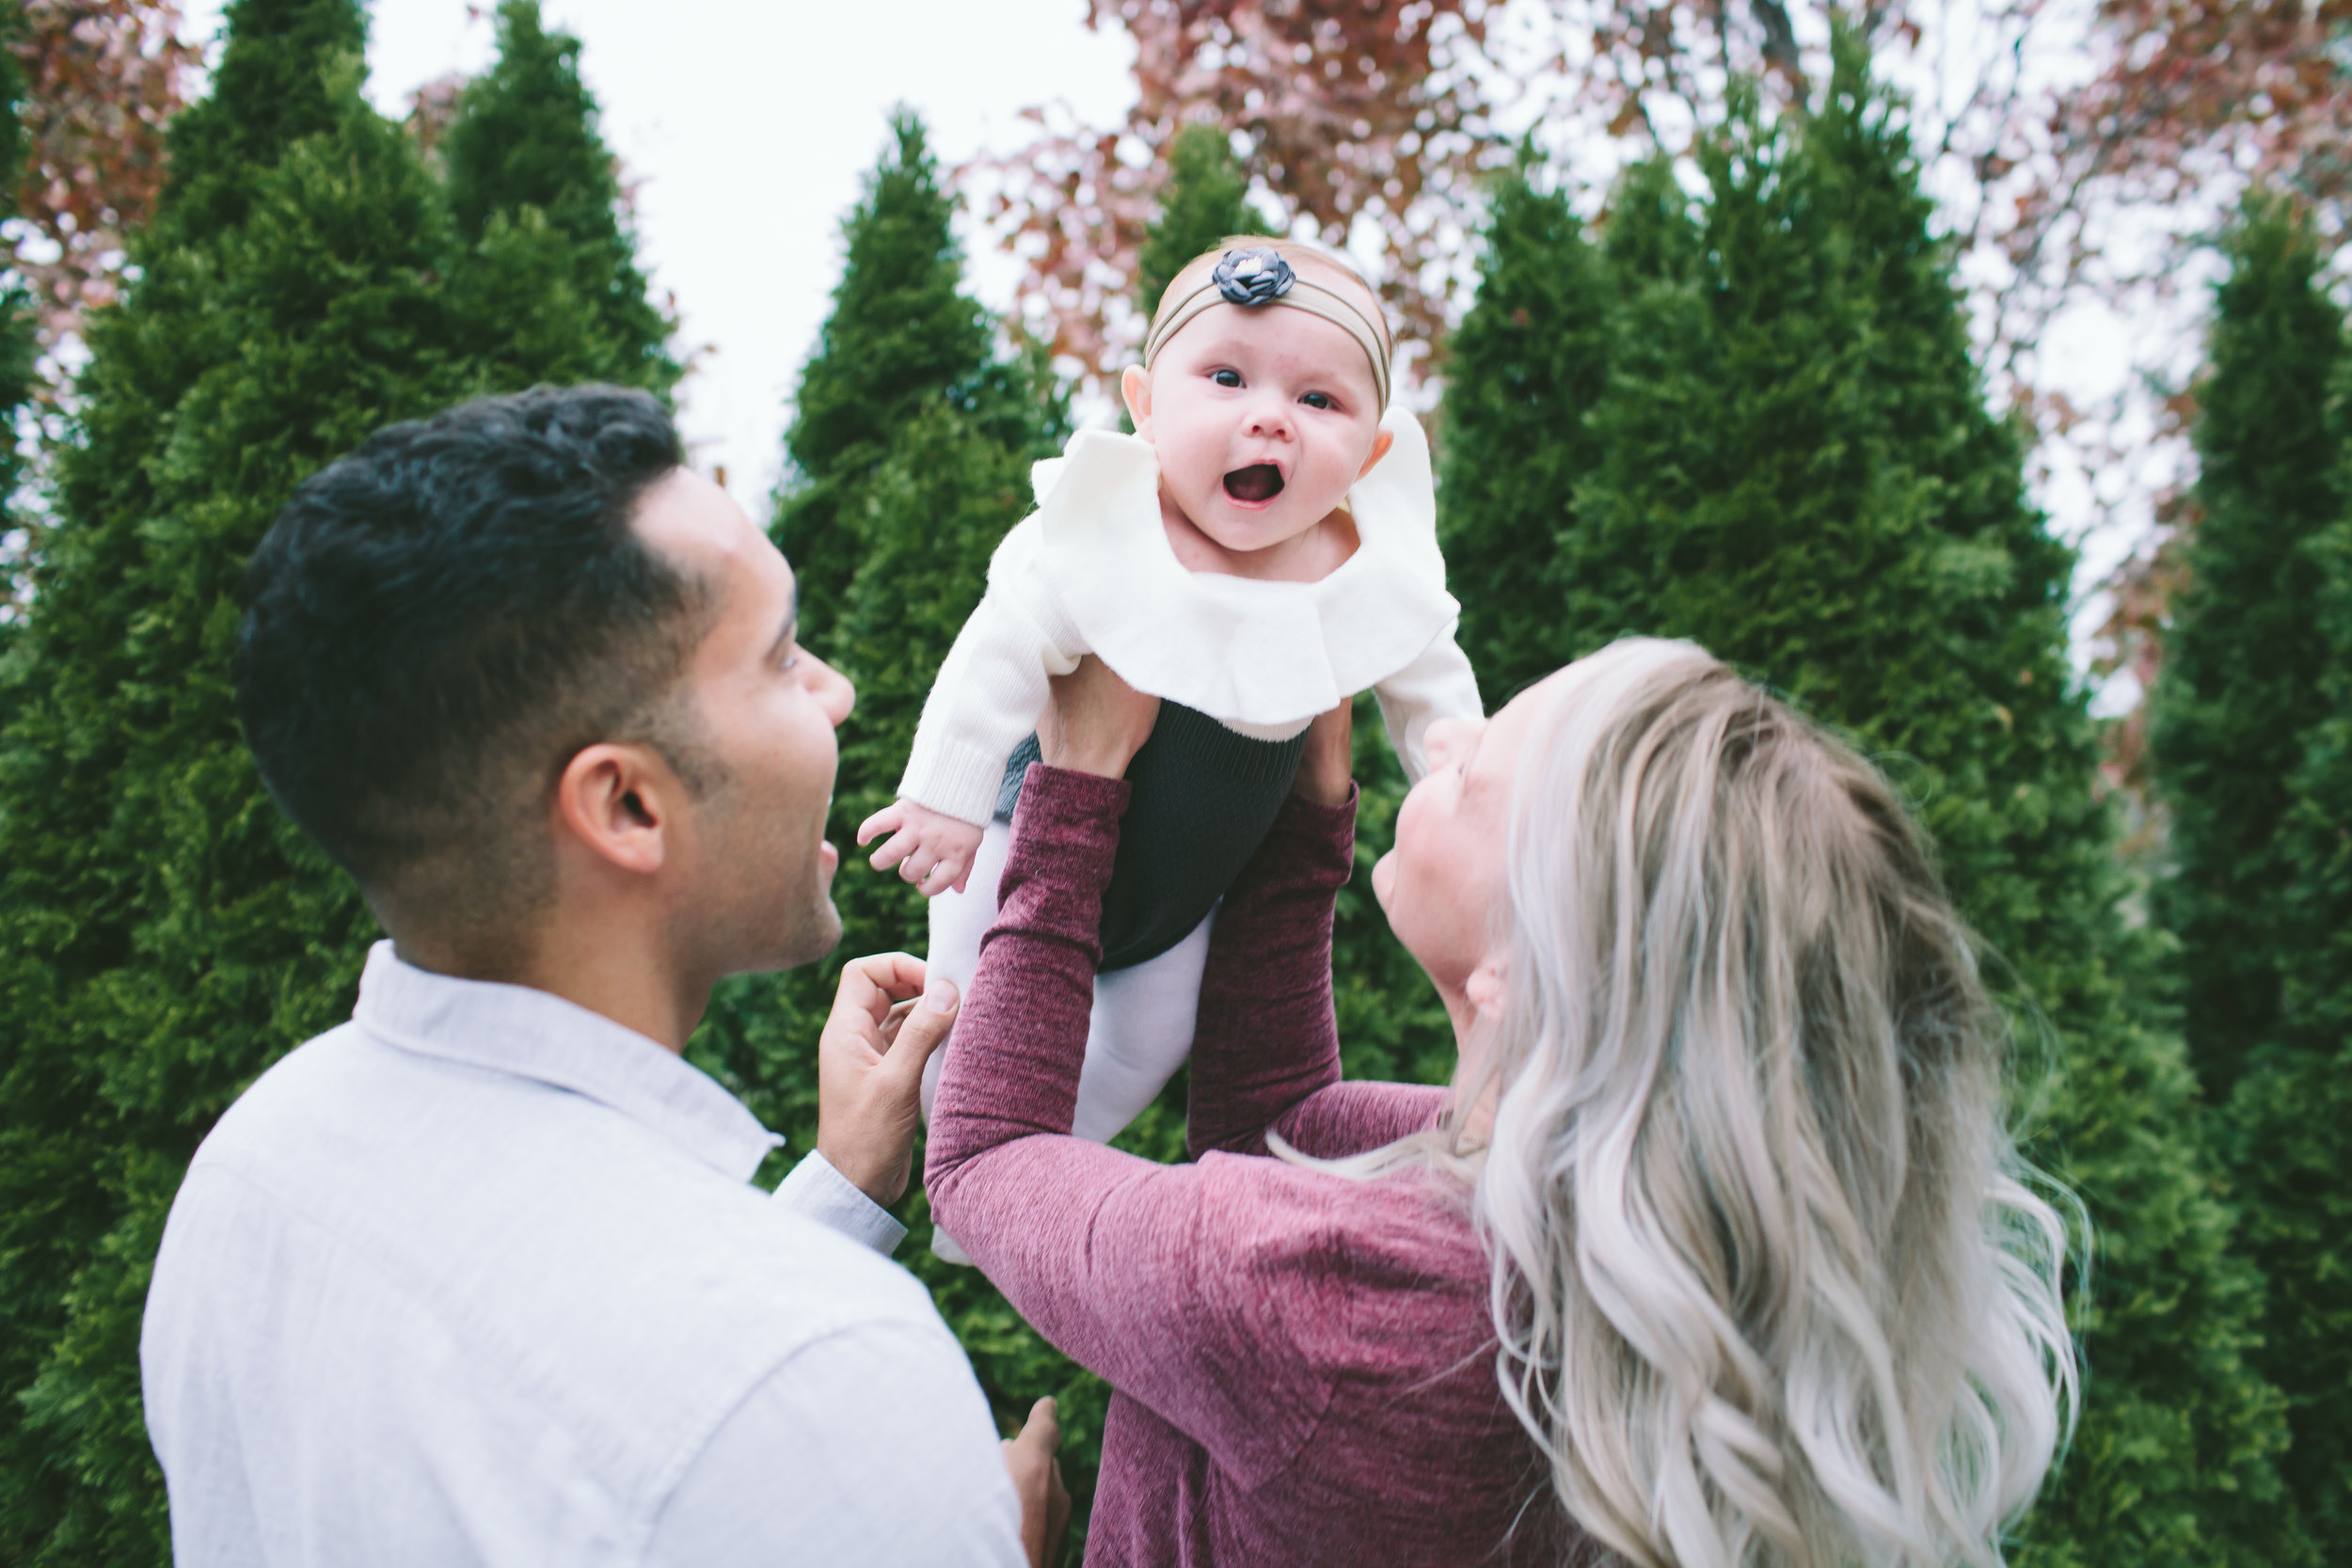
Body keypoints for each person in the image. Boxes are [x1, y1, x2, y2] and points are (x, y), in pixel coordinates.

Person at [140, 386, 1069, 1567]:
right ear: (627, 803)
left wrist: (840, 1190)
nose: (836, 689)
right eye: (783, 657)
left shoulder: (258, 1160)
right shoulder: (832, 1385)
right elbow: (707, 1394)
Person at [926, 639, 2078, 1566]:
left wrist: (1074, 791)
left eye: (1473, 771)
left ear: (1519, 967)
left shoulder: (1343, 1304)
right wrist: (1304, 809)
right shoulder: (1599, 1216)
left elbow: (986, 1158)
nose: (1443, 735)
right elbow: (1274, 1128)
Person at [858, 240, 1482, 1253]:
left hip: (1199, 882)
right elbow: (998, 648)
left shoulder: (1366, 571)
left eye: (1319, 401)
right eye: (1225, 378)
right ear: (1145, 405)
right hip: (1027, 837)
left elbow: (1434, 696)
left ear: (1371, 452)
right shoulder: (1103, 529)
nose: (1268, 414)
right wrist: (945, 798)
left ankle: (1035, 1183)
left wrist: (1468, 780)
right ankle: (957, 1168)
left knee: (1150, 1042)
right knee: (962, 1013)